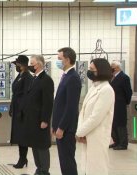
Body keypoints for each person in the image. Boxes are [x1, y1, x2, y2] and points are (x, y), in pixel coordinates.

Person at [76, 58, 115, 175]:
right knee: (88, 168)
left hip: (98, 136)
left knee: (97, 168)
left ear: (101, 71)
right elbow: (83, 112)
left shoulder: (107, 90)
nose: (89, 72)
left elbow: (95, 117)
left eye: (92, 69)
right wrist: (81, 131)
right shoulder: (94, 87)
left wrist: (79, 133)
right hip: (88, 135)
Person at [21, 55, 54, 175]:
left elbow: (48, 102)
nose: (30, 66)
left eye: (32, 63)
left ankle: (44, 170)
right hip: (32, 119)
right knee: (35, 144)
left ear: (39, 64)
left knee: (42, 146)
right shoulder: (34, 79)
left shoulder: (46, 80)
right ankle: (39, 168)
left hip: (40, 120)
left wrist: (45, 120)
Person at [52, 47, 81, 175]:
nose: (57, 61)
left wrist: (62, 127)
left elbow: (71, 107)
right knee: (63, 160)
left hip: (67, 129)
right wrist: (55, 125)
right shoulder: (66, 76)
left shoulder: (73, 78)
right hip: (60, 126)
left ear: (68, 60)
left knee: (67, 160)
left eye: (60, 59)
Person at [9, 55, 32, 169]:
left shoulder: (28, 77)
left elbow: (27, 96)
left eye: (17, 64)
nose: (16, 66)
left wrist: (21, 110)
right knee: (18, 135)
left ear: (22, 65)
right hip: (17, 108)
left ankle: (22, 159)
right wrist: (12, 107)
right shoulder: (20, 76)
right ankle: (22, 158)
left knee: (22, 136)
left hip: (22, 111)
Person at [109, 60, 132, 150]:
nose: (111, 68)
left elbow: (128, 92)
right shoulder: (112, 77)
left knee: (121, 124)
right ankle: (116, 141)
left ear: (117, 67)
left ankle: (123, 143)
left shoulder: (124, 77)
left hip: (120, 104)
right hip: (112, 104)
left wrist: (125, 102)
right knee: (113, 123)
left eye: (112, 66)